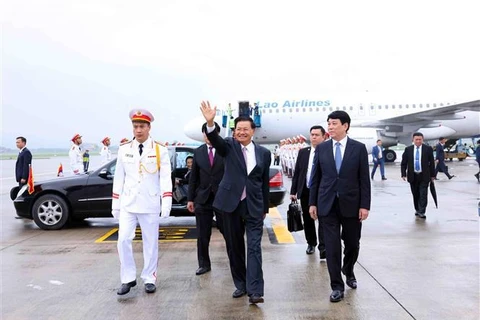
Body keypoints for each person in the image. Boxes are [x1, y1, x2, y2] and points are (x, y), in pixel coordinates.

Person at [200, 101, 271, 304]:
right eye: (238, 129)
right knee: (235, 246)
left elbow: (263, 182)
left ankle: (256, 291)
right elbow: (215, 139)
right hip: (230, 204)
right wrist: (210, 122)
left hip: (254, 205)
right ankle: (241, 284)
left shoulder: (264, 154)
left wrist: (265, 207)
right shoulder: (229, 146)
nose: (241, 132)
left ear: (253, 131)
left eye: (244, 129)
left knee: (255, 247)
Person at [308, 111, 371, 303]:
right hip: (327, 204)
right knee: (332, 247)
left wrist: (364, 205)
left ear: (346, 126)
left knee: (352, 244)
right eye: (329, 123)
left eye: (334, 123)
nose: (330, 127)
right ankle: (336, 286)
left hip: (351, 204)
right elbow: (316, 178)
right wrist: (312, 202)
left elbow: (363, 179)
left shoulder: (358, 148)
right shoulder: (322, 148)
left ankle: (348, 269)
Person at [112, 109, 172, 295]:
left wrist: (166, 201)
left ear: (149, 127)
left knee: (150, 242)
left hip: (150, 202)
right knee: (123, 240)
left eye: (142, 126)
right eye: (135, 126)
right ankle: (127, 278)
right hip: (128, 203)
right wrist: (115, 203)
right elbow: (119, 178)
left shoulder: (159, 149)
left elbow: (165, 177)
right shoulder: (124, 149)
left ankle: (149, 277)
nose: (138, 130)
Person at [187, 122, 227, 276]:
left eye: (210, 133)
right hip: (203, 199)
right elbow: (193, 178)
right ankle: (203, 264)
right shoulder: (198, 152)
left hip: (222, 198)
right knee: (202, 235)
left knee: (229, 233)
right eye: (205, 134)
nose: (208, 137)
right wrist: (191, 199)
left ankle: (235, 261)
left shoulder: (225, 151)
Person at [290, 126, 327, 258]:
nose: (314, 137)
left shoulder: (327, 151)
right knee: (308, 218)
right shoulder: (304, 152)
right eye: (312, 134)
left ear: (324, 137)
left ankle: (323, 247)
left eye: (317, 135)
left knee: (323, 219)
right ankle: (311, 243)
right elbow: (298, 172)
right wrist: (293, 191)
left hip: (322, 192)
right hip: (306, 190)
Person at [401, 132, 435, 219]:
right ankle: (417, 209)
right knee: (415, 194)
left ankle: (422, 211)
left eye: (420, 139)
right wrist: (403, 174)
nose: (418, 141)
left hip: (424, 175)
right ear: (413, 140)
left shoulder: (428, 149)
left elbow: (432, 163)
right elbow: (404, 163)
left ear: (422, 140)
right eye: (416, 139)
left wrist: (432, 175)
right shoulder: (408, 149)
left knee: (423, 194)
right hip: (413, 175)